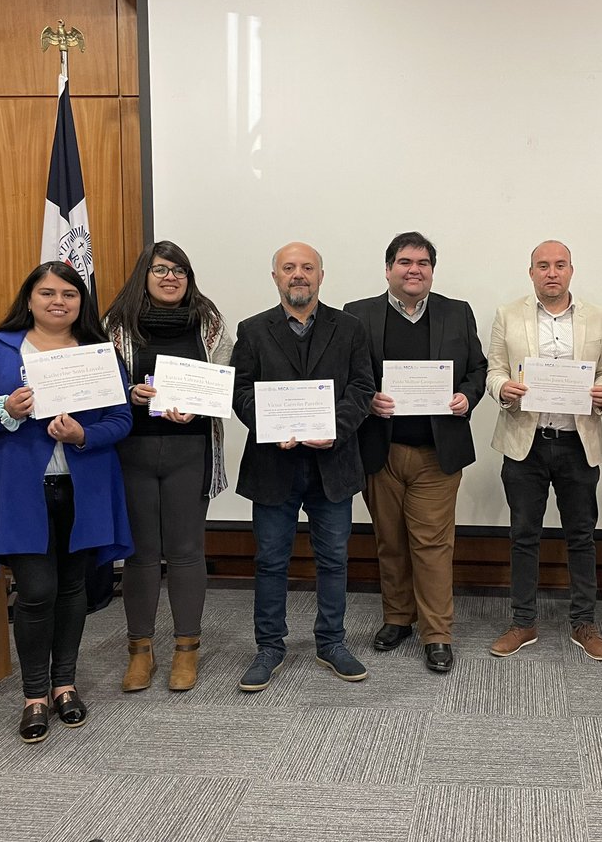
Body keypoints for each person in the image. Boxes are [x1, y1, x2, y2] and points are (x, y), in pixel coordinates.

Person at [0, 261, 132, 743]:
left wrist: (83, 435)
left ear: (81, 302)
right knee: (35, 591)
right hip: (19, 489)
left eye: (69, 294)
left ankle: (64, 686)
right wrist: (5, 410)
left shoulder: (99, 352)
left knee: (75, 587)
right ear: (29, 298)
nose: (59, 301)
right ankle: (34, 694)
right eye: (48, 293)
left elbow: (121, 420)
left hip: (84, 486)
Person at [231, 242, 375, 692]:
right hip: (273, 463)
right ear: (275, 277)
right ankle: (269, 647)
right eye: (289, 267)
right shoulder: (252, 330)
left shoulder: (350, 328)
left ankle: (331, 642)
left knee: (333, 560)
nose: (299, 274)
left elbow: (362, 387)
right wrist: (272, 425)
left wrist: (335, 427)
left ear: (321, 276)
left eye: (307, 267)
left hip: (332, 464)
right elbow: (240, 392)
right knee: (271, 561)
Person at [344, 232, 488, 674]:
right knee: (390, 542)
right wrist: (367, 400)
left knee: (431, 544)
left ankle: (437, 633)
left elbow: (478, 369)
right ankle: (397, 618)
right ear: (388, 269)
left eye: (423, 262)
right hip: (380, 451)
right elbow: (348, 375)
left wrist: (467, 396)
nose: (414, 270)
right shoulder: (357, 315)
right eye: (405, 261)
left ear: (431, 271)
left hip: (435, 453)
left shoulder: (457, 312)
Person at [103, 241, 233, 693]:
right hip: (132, 451)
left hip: (189, 451)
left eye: (179, 269)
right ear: (145, 274)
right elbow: (100, 388)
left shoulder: (211, 325)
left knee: (184, 551)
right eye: (161, 269)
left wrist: (197, 407)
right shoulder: (114, 325)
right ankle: (140, 651)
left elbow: (222, 383)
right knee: (139, 555)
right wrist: (130, 394)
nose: (170, 277)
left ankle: (186, 649)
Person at [485, 240, 602, 660]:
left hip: (578, 443)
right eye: (542, 266)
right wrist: (502, 389)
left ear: (571, 271)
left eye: (559, 265)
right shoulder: (508, 314)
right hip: (526, 442)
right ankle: (523, 622)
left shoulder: (598, 317)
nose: (551, 273)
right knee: (524, 535)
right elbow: (494, 369)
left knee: (581, 535)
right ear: (531, 273)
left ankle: (584, 623)